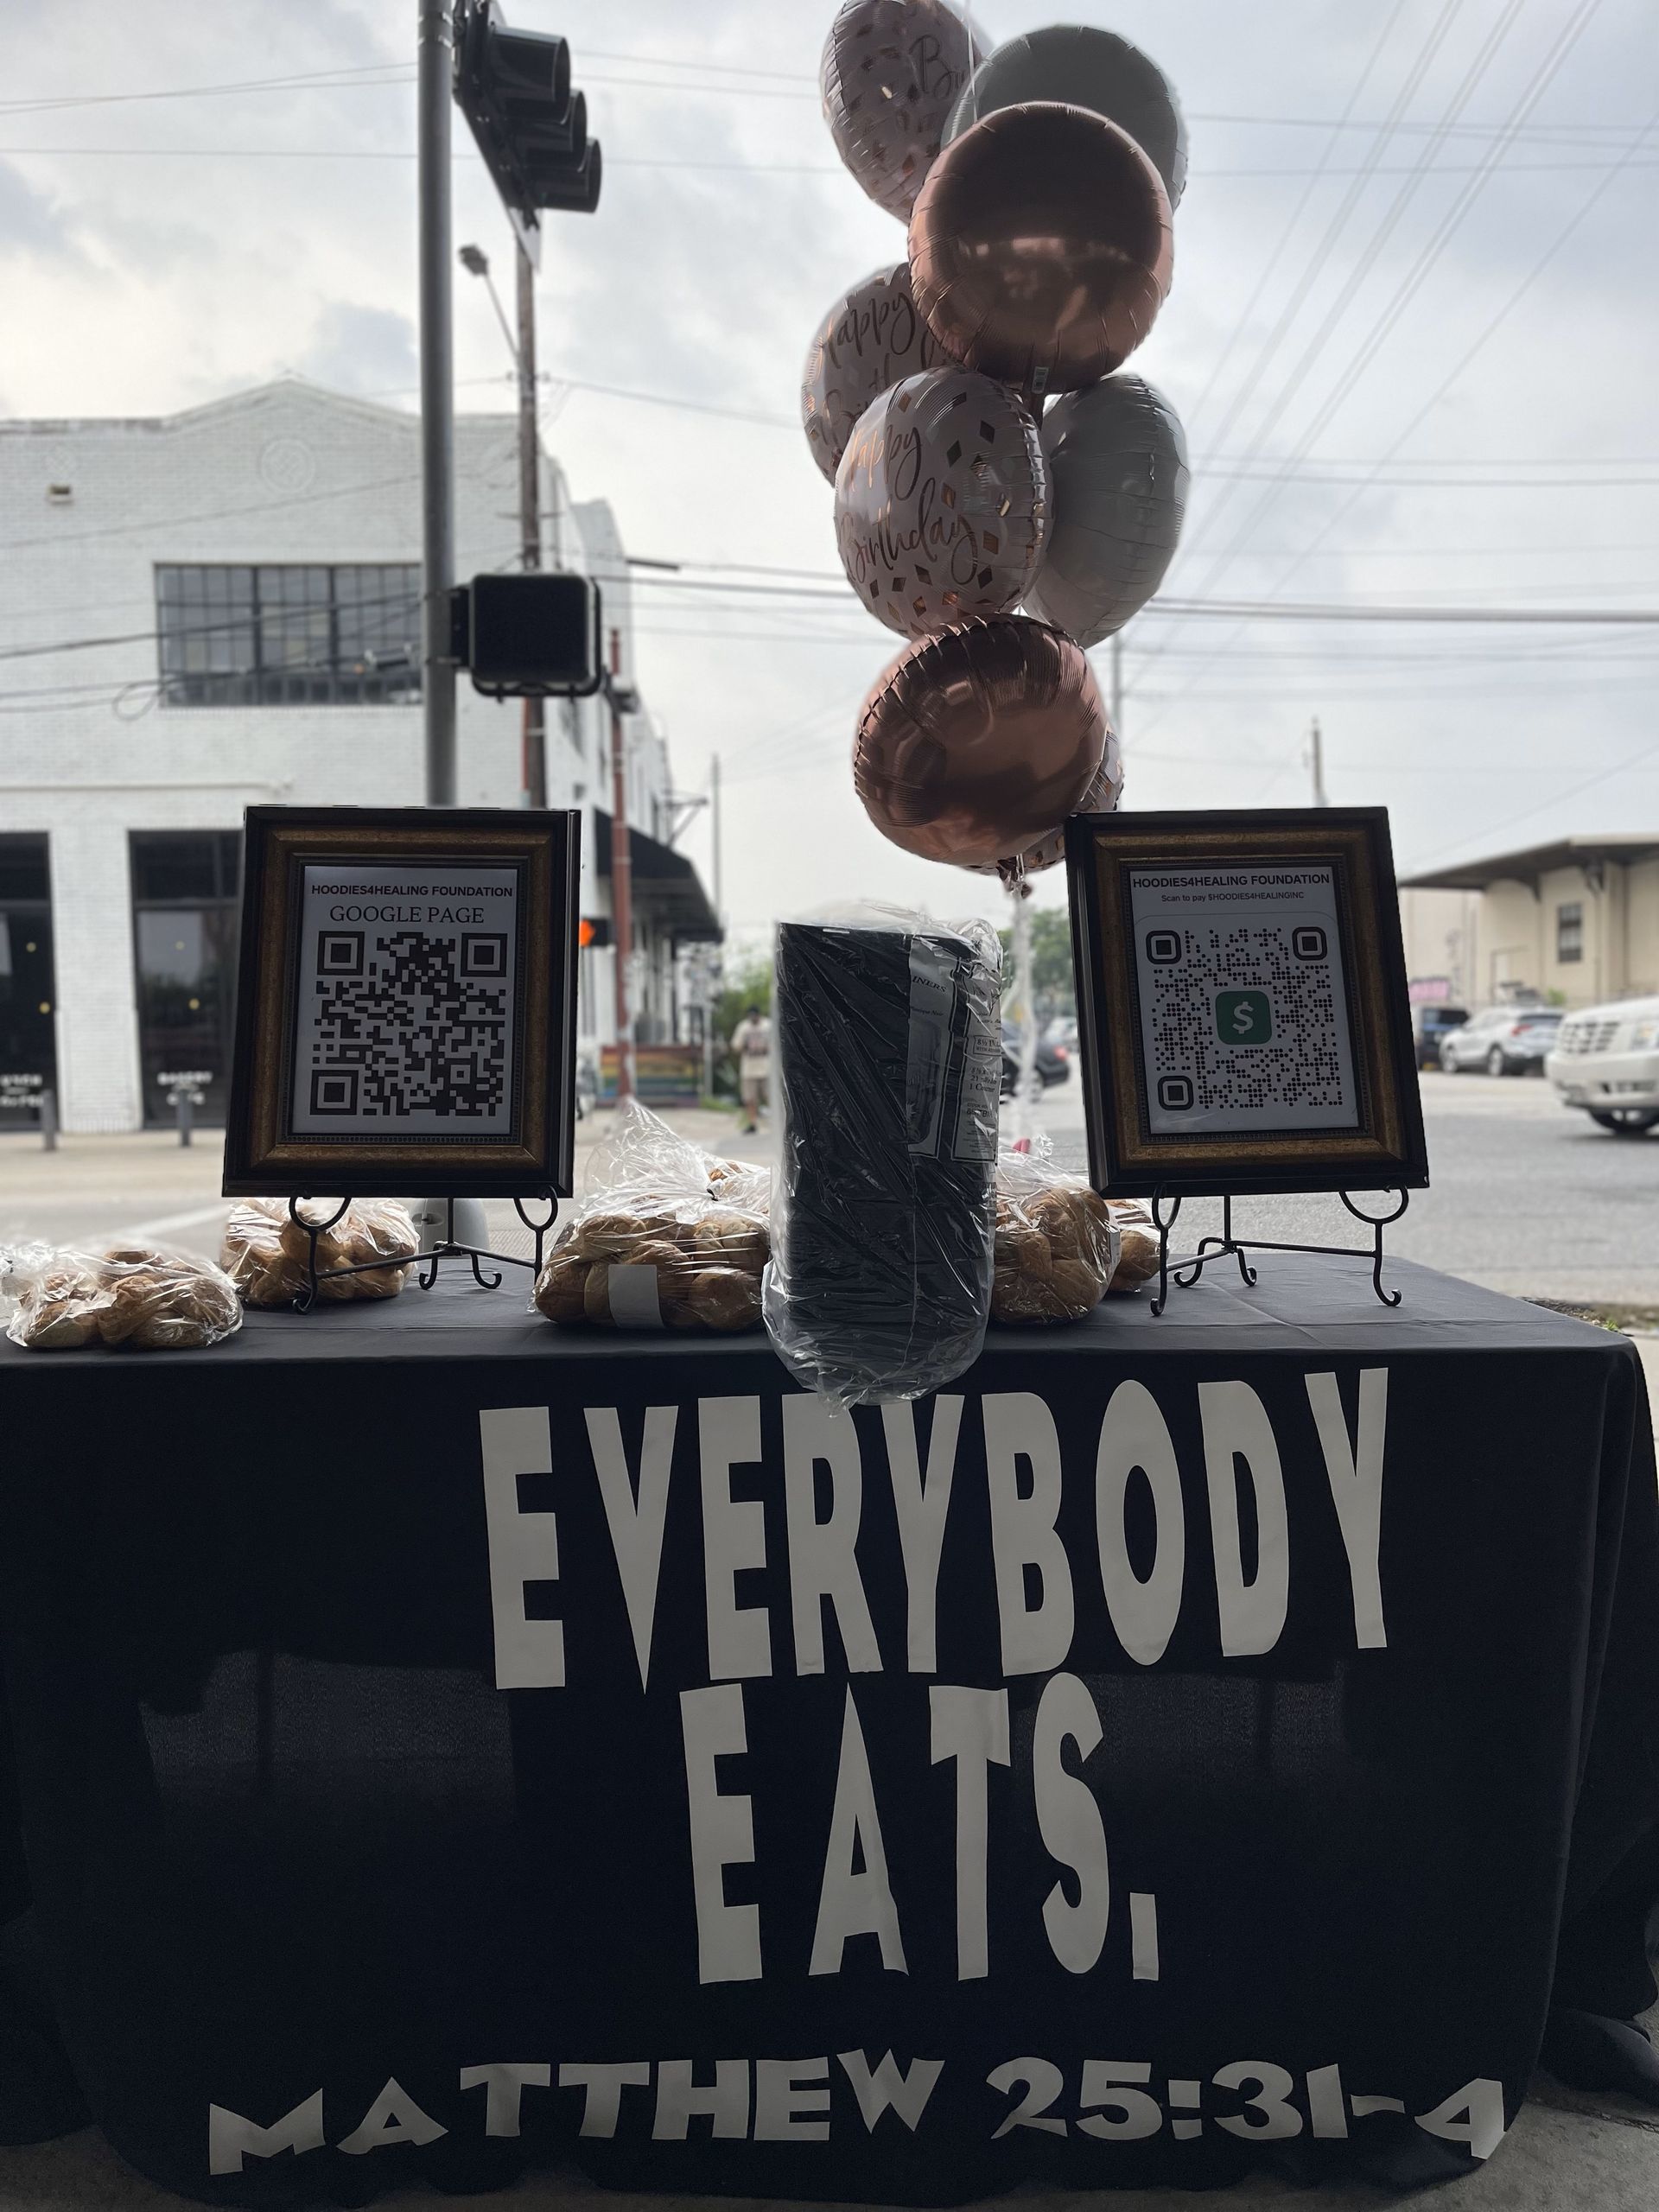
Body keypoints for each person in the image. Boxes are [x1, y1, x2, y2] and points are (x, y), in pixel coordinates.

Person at [729, 1004, 772, 1135]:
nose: (753, 1018)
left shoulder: (768, 1025)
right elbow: (735, 1045)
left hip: (766, 1068)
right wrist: (744, 1045)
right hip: (749, 1069)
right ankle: (753, 1123)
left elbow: (777, 1043)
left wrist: (766, 1048)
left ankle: (776, 1122)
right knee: (750, 1099)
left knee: (771, 1096)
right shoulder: (744, 1027)